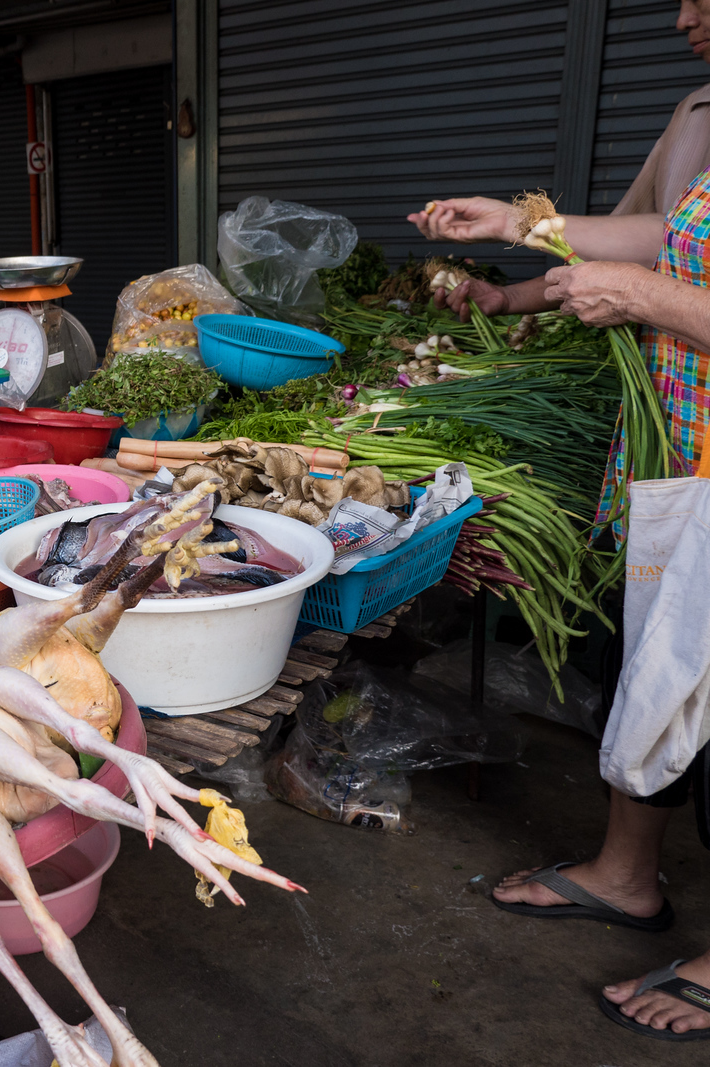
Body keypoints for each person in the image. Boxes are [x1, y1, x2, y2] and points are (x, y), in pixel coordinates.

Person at [432, 181, 710, 1039]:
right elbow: (680, 232)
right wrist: (528, 227)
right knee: (653, 670)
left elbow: (665, 272)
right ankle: (627, 873)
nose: (680, 32)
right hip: (685, 455)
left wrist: (641, 294)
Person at [410, 0, 710, 313]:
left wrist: (633, 292)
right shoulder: (693, 111)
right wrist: (512, 274)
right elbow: (663, 242)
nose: (683, 21)